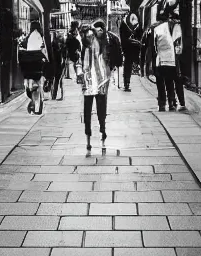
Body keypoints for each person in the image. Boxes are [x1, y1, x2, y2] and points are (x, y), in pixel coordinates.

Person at [76, 20, 122, 156]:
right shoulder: (95, 40)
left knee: (94, 108)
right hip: (93, 80)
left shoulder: (105, 41)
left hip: (99, 79)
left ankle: (99, 131)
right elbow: (80, 58)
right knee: (92, 108)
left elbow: (112, 58)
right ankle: (95, 133)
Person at [19, 21, 48, 114]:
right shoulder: (42, 37)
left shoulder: (28, 37)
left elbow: (22, 46)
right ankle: (39, 103)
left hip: (29, 67)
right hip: (39, 66)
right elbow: (45, 52)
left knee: (29, 85)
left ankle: (33, 101)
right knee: (40, 85)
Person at [119, 12, 143, 92]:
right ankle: (126, 82)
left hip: (131, 48)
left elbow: (139, 36)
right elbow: (123, 38)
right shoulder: (125, 24)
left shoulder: (127, 23)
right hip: (129, 48)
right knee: (128, 64)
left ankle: (127, 82)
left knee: (128, 64)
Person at [51, 32, 67, 100]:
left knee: (57, 80)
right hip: (59, 64)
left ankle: (54, 95)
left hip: (57, 64)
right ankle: (57, 95)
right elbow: (64, 56)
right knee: (59, 80)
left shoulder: (54, 46)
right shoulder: (62, 47)